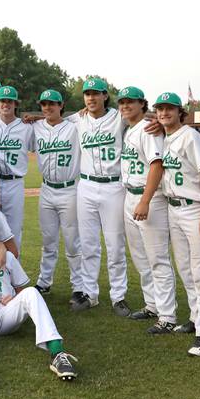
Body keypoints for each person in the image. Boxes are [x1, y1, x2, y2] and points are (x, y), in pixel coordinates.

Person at [0, 211, 78, 390]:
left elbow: (21, 288)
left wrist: (16, 297)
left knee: (32, 292)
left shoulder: (5, 256)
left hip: (5, 309)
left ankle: (57, 353)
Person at [154, 92, 200, 356]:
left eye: (169, 109)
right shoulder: (167, 138)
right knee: (185, 269)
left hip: (193, 210)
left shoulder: (191, 136)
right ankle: (195, 318)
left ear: (181, 112)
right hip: (173, 208)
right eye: (160, 109)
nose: (164, 113)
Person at [117, 87, 179, 333]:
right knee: (141, 258)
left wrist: (145, 199)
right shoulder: (130, 128)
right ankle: (152, 304)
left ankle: (167, 316)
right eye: (122, 102)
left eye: (130, 102)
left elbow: (157, 165)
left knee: (157, 258)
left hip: (148, 198)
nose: (125, 106)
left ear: (142, 105)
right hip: (130, 196)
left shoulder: (148, 129)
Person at [69, 78, 130, 315]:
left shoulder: (118, 116)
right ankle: (90, 294)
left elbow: (140, 117)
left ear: (105, 95)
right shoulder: (78, 118)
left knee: (115, 245)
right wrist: (31, 119)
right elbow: (54, 121)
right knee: (89, 244)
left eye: (96, 93)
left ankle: (118, 297)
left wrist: (153, 119)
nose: (91, 98)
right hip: (85, 186)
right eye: (87, 94)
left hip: (113, 187)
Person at [31, 89, 86, 297]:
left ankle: (78, 286)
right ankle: (44, 282)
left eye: (52, 104)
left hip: (70, 189)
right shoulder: (36, 127)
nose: (47, 108)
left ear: (61, 105)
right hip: (46, 190)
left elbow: (87, 115)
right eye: (44, 104)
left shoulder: (75, 126)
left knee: (73, 241)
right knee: (48, 241)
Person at [0, 85, 33, 251]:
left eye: (10, 101)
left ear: (16, 104)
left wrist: (36, 118)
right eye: (2, 101)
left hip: (14, 183)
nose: (5, 104)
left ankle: (14, 272)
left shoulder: (27, 127)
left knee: (13, 230)